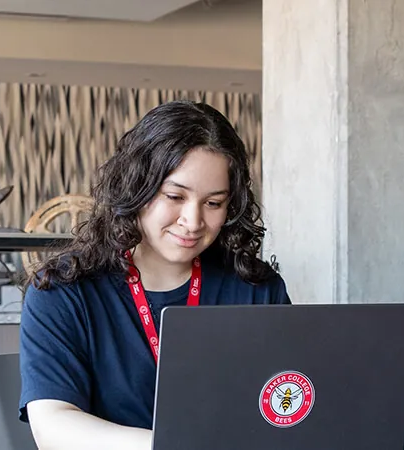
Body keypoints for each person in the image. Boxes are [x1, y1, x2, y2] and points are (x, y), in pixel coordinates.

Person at [18, 100, 291, 450]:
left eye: (214, 203)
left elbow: (289, 401)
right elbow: (53, 425)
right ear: (137, 188)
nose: (193, 222)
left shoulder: (256, 288)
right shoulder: (65, 292)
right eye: (175, 196)